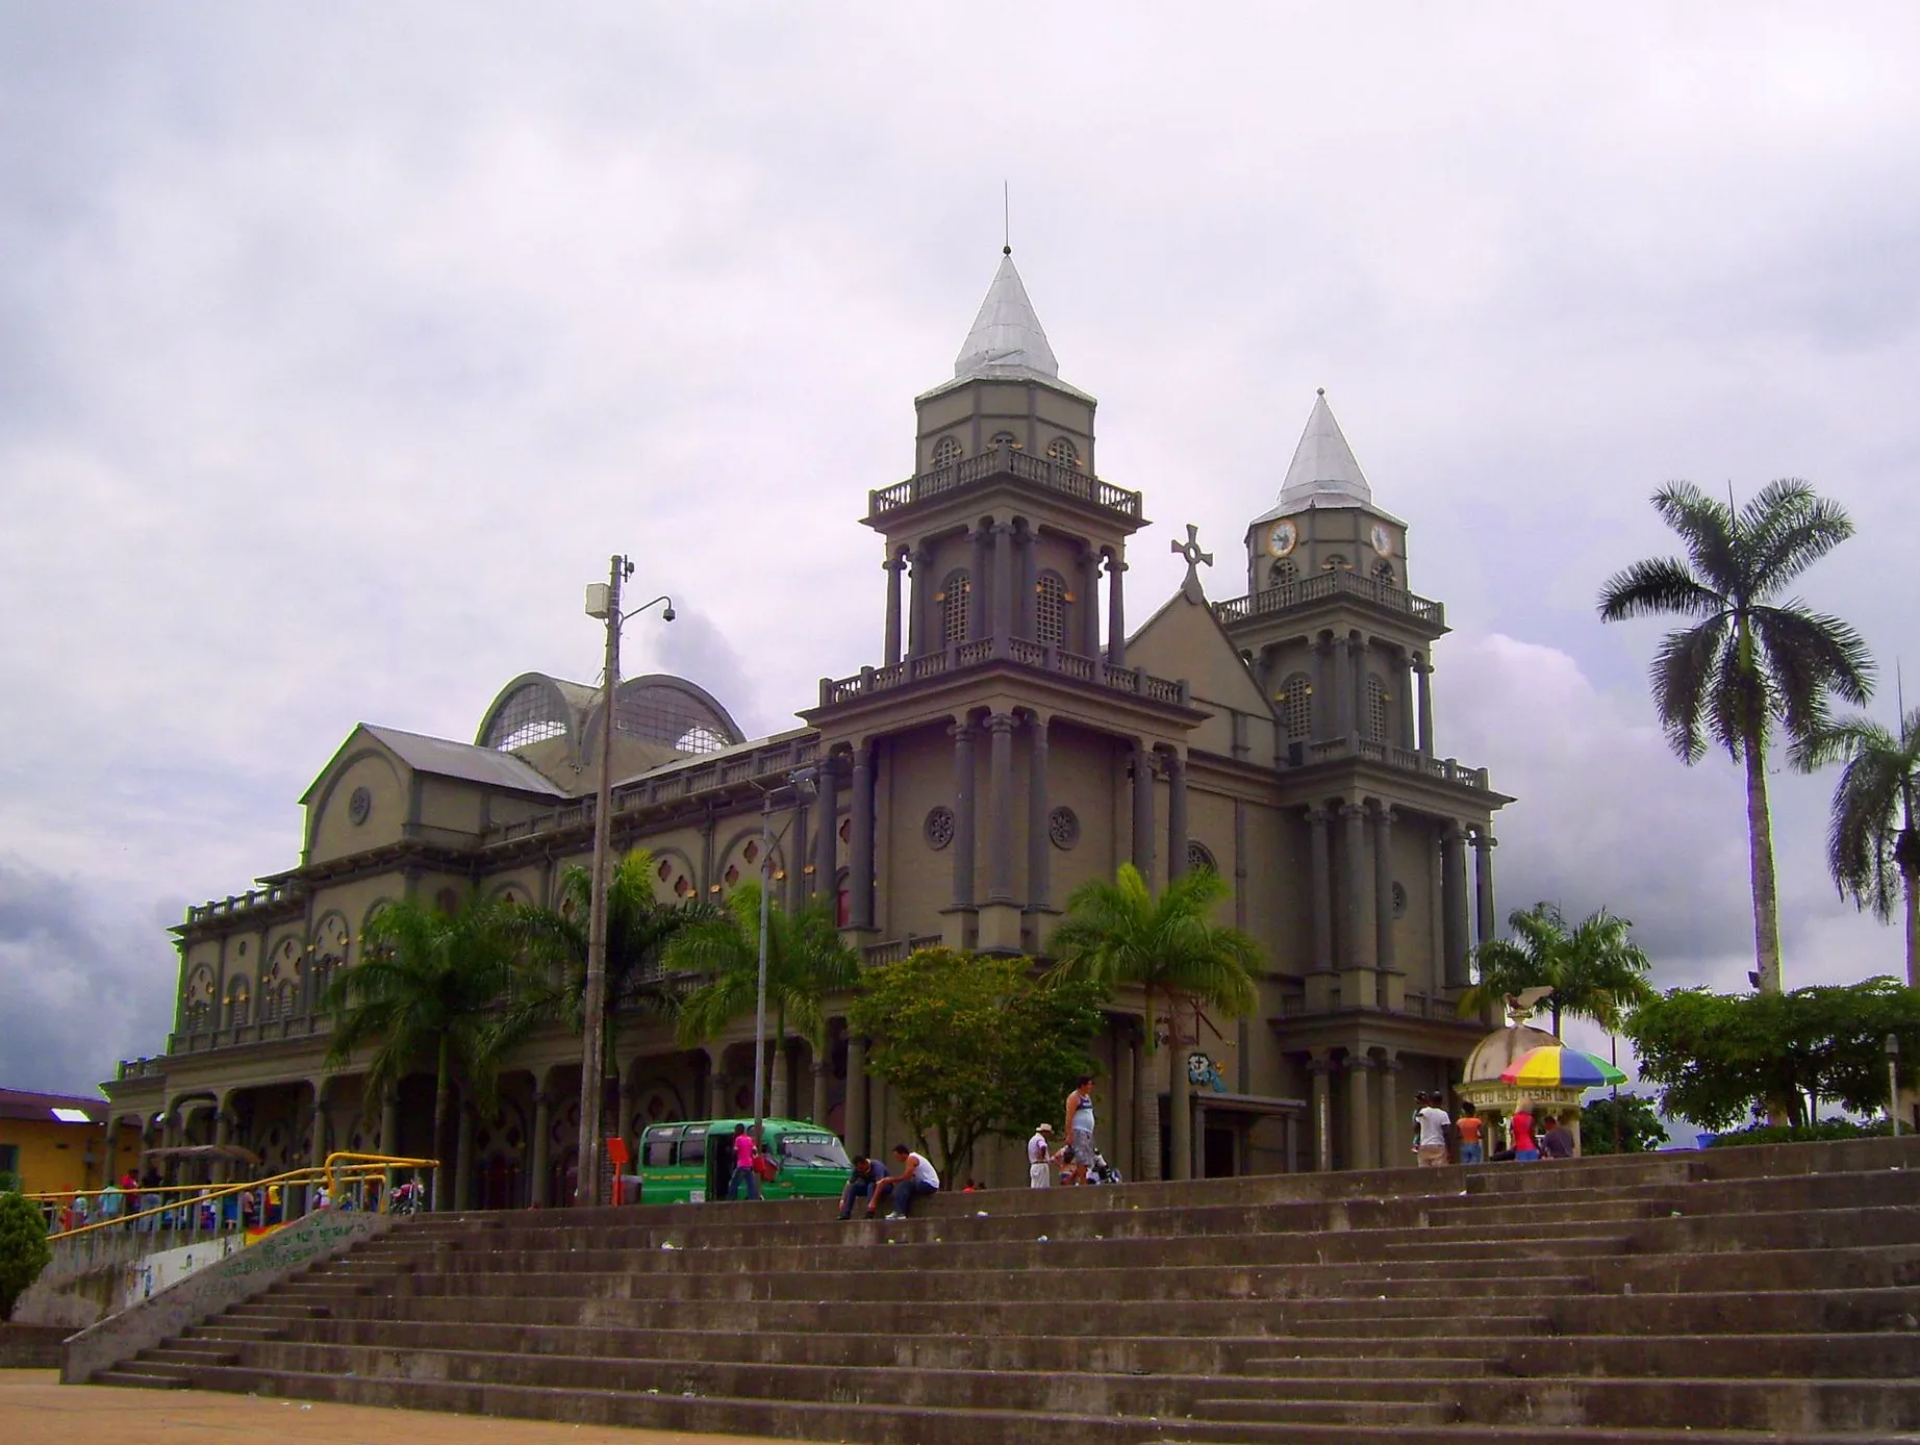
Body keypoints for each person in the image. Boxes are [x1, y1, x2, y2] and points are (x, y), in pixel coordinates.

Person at [867, 1144, 940, 1219]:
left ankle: (899, 1212)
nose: (897, 1159)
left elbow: (906, 1177)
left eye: (897, 1156)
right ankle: (900, 1210)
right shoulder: (913, 1158)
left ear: (903, 1154)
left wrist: (890, 1180)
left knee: (905, 1185)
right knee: (904, 1188)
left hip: (930, 1185)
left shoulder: (911, 1158)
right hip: (927, 1184)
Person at [1064, 1076, 1096, 1187]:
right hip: (1079, 1130)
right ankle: (1083, 1182)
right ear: (1083, 1085)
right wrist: (1069, 1134)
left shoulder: (1087, 1097)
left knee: (1089, 1158)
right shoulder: (1074, 1097)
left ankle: (1070, 1179)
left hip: (1088, 1132)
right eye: (1089, 1084)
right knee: (1081, 1158)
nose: (1091, 1087)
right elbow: (1069, 1116)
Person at [1413, 1094, 1451, 1167]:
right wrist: (1448, 1150)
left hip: (1424, 1145)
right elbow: (1446, 1133)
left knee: (1425, 1172)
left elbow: (1416, 1128)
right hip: (1438, 1145)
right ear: (1441, 1102)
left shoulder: (1423, 1112)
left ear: (1430, 1101)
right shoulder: (1443, 1114)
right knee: (1440, 1171)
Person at [728, 1123, 762, 1201]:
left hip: (741, 1165)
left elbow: (735, 1152)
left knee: (733, 1183)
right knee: (751, 1185)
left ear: (738, 1130)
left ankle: (730, 1200)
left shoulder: (738, 1139)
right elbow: (754, 1151)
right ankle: (753, 1200)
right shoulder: (749, 1139)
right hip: (749, 1165)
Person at [1027, 1123, 1056, 1189]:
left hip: (1034, 1165)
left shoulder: (1033, 1139)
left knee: (1035, 1186)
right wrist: (1042, 1156)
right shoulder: (1040, 1139)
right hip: (1041, 1165)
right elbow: (1043, 1146)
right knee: (1042, 1187)